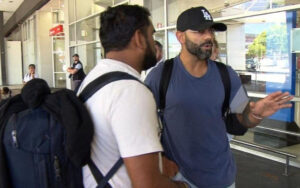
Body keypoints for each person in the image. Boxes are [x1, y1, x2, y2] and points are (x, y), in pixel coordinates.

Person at [145, 6, 293, 188]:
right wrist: (160, 160)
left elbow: (241, 120)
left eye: (210, 30)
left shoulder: (227, 75)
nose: (208, 36)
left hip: (222, 178)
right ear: (180, 37)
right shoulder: (160, 76)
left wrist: (256, 114)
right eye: (200, 31)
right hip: (178, 179)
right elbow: (142, 126)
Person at [77, 5, 187, 188]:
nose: (154, 42)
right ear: (139, 38)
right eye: (151, 35)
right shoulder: (130, 92)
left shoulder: (93, 79)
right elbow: (147, 184)